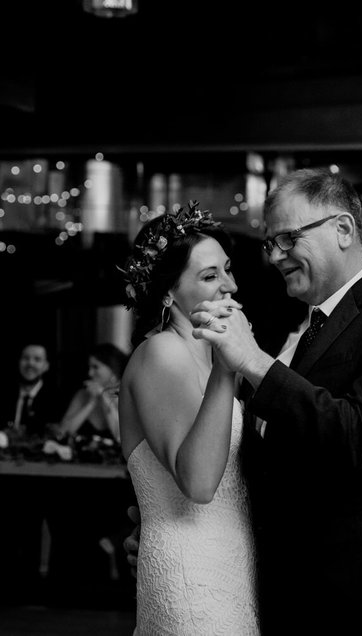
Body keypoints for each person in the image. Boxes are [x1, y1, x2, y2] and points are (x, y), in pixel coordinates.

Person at [190, 168, 362, 635]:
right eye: (271, 243)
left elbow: (359, 434)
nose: (276, 257)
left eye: (288, 238)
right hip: (281, 590)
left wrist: (254, 361)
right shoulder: (293, 332)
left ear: (344, 229)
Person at [117, 203, 259, 634]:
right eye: (210, 276)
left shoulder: (205, 358)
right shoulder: (160, 354)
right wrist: (227, 367)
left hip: (233, 565)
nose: (230, 286)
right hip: (189, 577)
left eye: (228, 270)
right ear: (167, 293)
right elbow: (197, 483)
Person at [0, 342, 62, 435]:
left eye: (37, 359)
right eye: (26, 358)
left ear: (46, 366)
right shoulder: (0, 395)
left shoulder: (56, 399)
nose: (30, 363)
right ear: (18, 362)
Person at [57, 343, 127, 441]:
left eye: (95, 367)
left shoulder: (126, 396)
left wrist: (104, 398)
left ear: (113, 368)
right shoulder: (83, 394)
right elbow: (62, 433)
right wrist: (91, 402)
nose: (90, 373)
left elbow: (120, 438)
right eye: (89, 367)